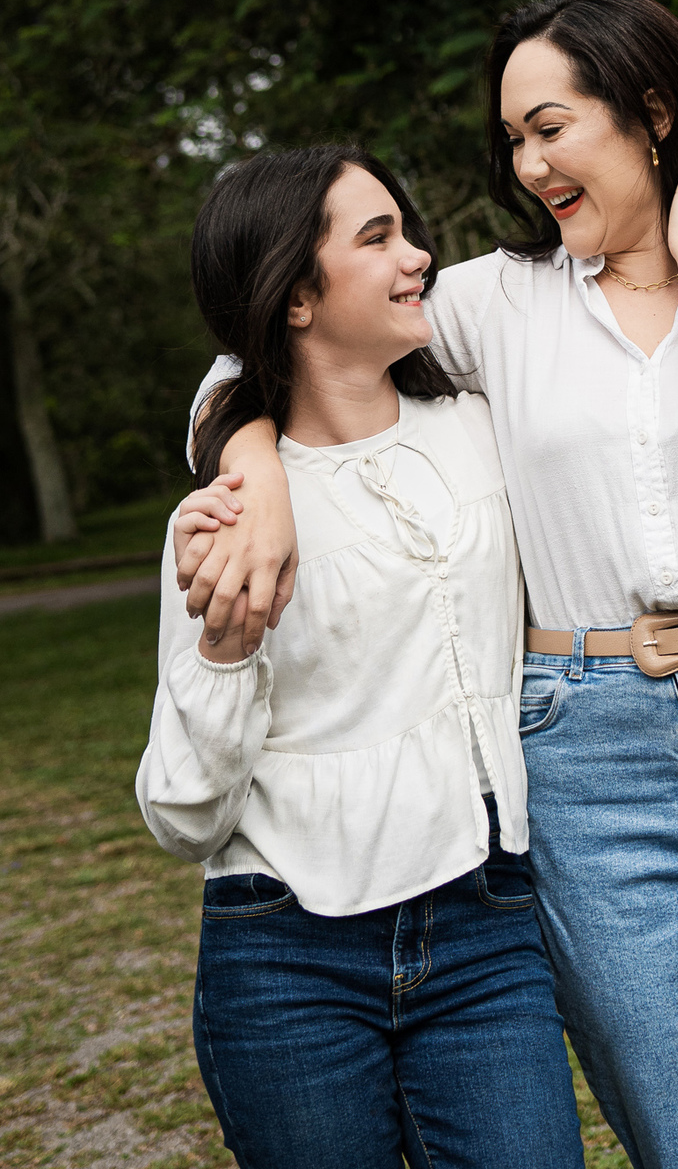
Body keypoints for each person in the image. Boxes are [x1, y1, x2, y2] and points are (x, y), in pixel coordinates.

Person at [180, 0, 678, 1169]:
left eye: (549, 127)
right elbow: (270, 337)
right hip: (588, 764)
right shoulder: (499, 301)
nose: (527, 162)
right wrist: (258, 470)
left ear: (650, 112)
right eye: (513, 141)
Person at [136, 145, 585, 1169]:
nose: (419, 255)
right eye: (378, 237)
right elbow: (182, 814)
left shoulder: (479, 429)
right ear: (295, 294)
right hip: (286, 953)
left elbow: (612, 522)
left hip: (488, 924)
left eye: (406, 227)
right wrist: (223, 650)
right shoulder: (227, 518)